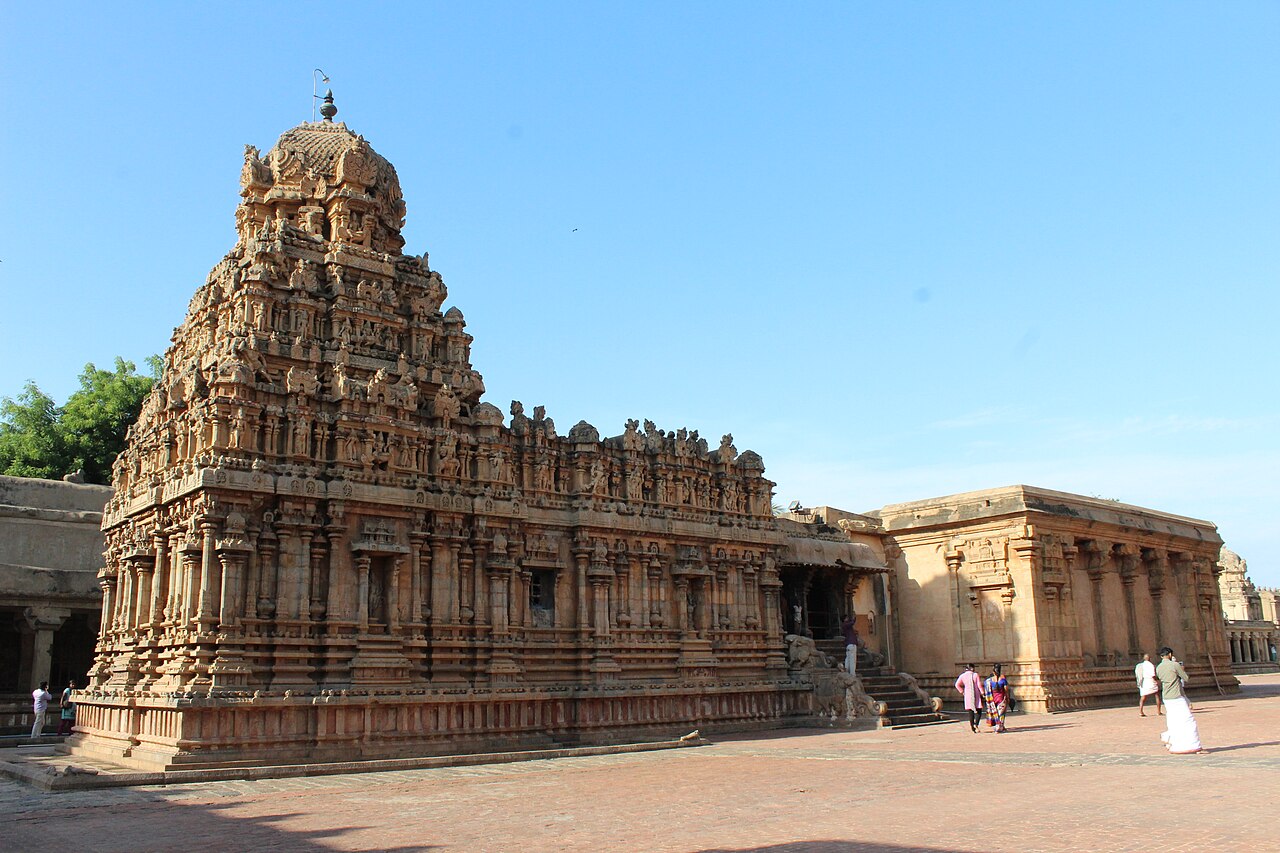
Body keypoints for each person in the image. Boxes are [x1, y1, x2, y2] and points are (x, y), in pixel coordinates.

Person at [1156, 647, 1202, 754]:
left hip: (1166, 696)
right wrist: (1182, 669)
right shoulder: (1174, 665)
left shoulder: (1158, 667)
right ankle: (1194, 745)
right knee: (1189, 720)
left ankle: (1173, 743)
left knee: (1173, 721)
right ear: (1170, 654)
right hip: (1176, 696)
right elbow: (1186, 678)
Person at [954, 663, 984, 733]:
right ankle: (976, 724)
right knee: (979, 710)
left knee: (970, 711)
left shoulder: (962, 676)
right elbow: (979, 685)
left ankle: (972, 727)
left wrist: (962, 691)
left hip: (967, 695)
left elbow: (957, 684)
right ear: (972, 668)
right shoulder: (975, 675)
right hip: (976, 694)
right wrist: (982, 692)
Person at [982, 664, 1010, 733]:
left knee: (995, 714)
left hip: (993, 699)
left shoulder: (989, 681)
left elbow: (986, 686)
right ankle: (999, 727)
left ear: (993, 672)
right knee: (1001, 714)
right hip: (1001, 699)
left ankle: (998, 727)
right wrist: (1008, 698)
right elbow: (1006, 690)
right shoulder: (1003, 680)